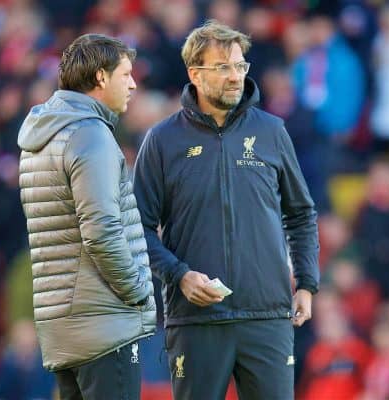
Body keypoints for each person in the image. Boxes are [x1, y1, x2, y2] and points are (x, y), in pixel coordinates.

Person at [133, 20, 320, 400]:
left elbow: (300, 214)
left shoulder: (272, 132)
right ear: (194, 74)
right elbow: (137, 229)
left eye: (240, 66)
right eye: (223, 68)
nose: (235, 76)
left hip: (267, 316)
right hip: (195, 321)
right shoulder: (161, 141)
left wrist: (307, 283)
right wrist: (180, 275)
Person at [17, 34, 156, 400]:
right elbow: (101, 232)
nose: (133, 83)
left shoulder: (41, 136)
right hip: (103, 326)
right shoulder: (90, 134)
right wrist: (138, 290)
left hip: (63, 328)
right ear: (100, 78)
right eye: (125, 74)